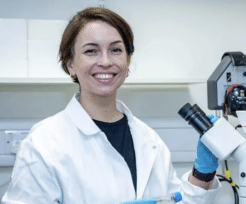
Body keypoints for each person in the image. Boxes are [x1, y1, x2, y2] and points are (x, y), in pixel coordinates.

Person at [2, 7, 221, 204]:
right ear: (70, 65)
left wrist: (203, 172)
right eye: (91, 51)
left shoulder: (149, 140)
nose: (106, 61)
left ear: (128, 61)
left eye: (116, 50)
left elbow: (175, 201)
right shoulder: (44, 143)